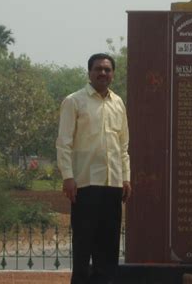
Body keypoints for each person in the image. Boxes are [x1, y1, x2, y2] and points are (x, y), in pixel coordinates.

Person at [56, 53, 132, 284]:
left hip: (112, 184)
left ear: (113, 74)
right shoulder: (74, 101)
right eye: (98, 69)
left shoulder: (118, 102)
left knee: (108, 246)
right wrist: (68, 177)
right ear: (89, 72)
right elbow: (64, 142)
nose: (103, 73)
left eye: (107, 70)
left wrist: (126, 177)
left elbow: (123, 145)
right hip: (85, 184)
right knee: (84, 244)